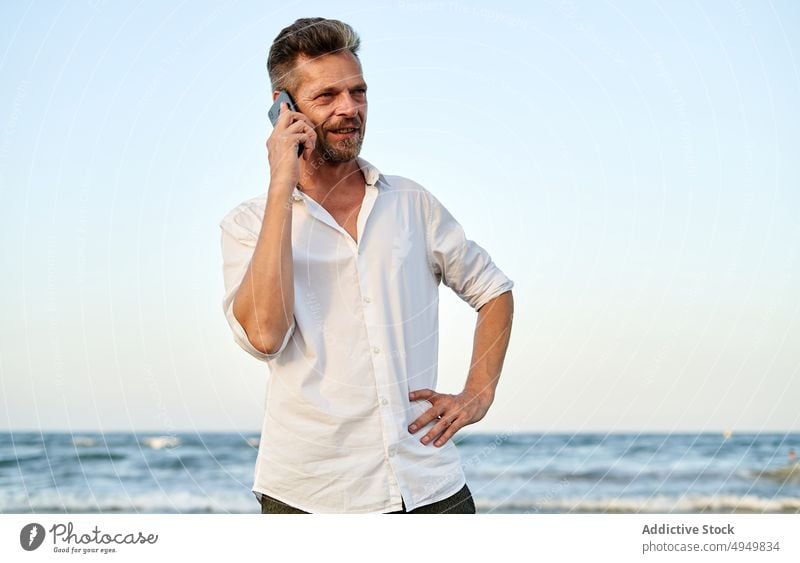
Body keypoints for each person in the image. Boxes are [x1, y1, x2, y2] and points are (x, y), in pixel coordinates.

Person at [219, 17, 514, 514]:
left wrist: (477, 394)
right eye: (327, 96)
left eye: (358, 92)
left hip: (429, 487)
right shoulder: (248, 224)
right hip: (310, 498)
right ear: (282, 108)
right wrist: (280, 183)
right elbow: (265, 336)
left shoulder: (412, 204)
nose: (349, 109)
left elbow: (494, 291)